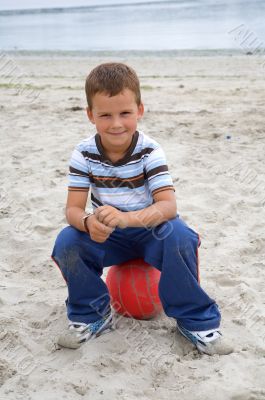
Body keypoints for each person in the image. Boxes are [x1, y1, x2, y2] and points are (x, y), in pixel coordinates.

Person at [51, 62, 232, 355]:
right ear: (90, 115)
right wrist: (88, 223)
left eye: (125, 113)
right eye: (105, 115)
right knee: (67, 240)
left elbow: (168, 206)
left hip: (151, 232)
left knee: (179, 234)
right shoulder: (83, 153)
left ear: (140, 110)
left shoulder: (150, 150)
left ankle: (195, 321)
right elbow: (72, 209)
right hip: (109, 236)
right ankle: (91, 316)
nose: (116, 124)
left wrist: (126, 218)